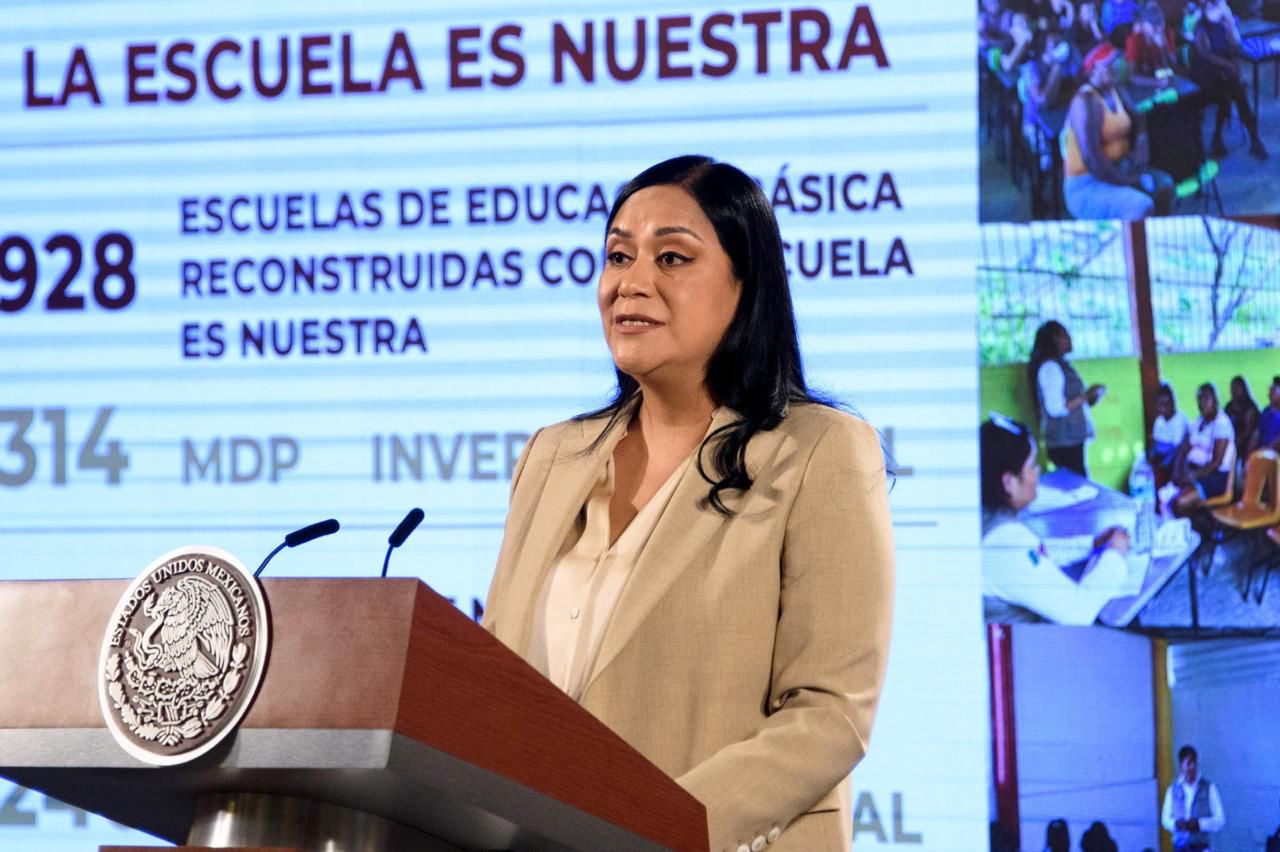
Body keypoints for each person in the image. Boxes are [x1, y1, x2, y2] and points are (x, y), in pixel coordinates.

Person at [482, 156, 895, 851]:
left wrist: (652, 827)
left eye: (671, 257)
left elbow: (831, 715)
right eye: (619, 256)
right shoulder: (552, 457)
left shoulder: (819, 450)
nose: (631, 282)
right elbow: (494, 685)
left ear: (745, 285)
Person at [981, 415, 1131, 624]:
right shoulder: (1003, 542)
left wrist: (1091, 544)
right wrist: (1115, 554)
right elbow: (1078, 612)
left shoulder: (987, 518)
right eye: (1032, 465)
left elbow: (1035, 554)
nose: (1037, 472)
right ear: (1009, 483)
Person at [1062, 42, 1175, 219]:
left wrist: (1142, 140)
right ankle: (1131, 237)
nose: (1115, 67)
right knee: (1141, 206)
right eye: (1108, 64)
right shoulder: (1085, 102)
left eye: (1115, 62)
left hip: (1118, 169)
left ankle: (1152, 236)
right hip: (1087, 184)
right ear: (1092, 70)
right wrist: (1128, 182)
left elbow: (1138, 117)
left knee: (1165, 186)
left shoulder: (1115, 90)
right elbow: (1093, 160)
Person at [1191, 0, 1270, 159]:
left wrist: (1230, 26)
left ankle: (1254, 140)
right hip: (1207, 74)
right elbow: (1206, 55)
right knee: (1227, 95)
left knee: (1239, 96)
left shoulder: (1223, 24)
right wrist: (1228, 65)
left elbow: (1234, 47)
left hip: (1226, 74)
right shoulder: (1201, 28)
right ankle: (1218, 139)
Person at [1027, 321, 1104, 476]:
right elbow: (1055, 408)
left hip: (1070, 442)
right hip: (1063, 444)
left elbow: (1073, 403)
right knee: (1075, 485)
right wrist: (1086, 396)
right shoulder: (1050, 367)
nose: (1070, 338)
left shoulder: (1062, 365)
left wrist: (1091, 398)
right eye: (1065, 335)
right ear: (1055, 339)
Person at [1171, 383, 1236, 515]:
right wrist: (1177, 471)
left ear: (1216, 401)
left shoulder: (1222, 423)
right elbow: (1184, 447)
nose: (1202, 403)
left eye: (1206, 399)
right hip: (1197, 470)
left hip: (1216, 476)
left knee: (1181, 502)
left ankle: (1194, 524)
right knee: (1169, 496)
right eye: (1199, 399)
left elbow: (1216, 462)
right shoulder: (1199, 421)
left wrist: (1193, 476)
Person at [1161, 745, 1226, 850]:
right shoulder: (1172, 790)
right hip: (1180, 847)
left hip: (1202, 847)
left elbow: (1220, 820)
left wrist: (1200, 824)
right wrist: (1175, 824)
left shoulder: (1209, 787)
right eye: (1188, 763)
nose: (1192, 767)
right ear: (1181, 765)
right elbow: (1165, 819)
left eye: (1194, 763)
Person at [1126, 2, 1183, 84]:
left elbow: (1173, 67)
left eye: (1161, 27)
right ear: (1143, 25)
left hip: (1163, 77)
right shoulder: (1134, 39)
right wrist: (1156, 83)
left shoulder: (1167, 33)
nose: (1158, 32)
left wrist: (1163, 47)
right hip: (1146, 82)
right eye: (1154, 27)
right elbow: (1132, 76)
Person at [1150, 382, 1190, 486]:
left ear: (1173, 402)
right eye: (1160, 404)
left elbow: (1177, 451)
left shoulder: (1180, 419)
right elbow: (1155, 446)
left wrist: (1161, 466)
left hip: (1175, 463)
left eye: (1166, 404)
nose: (1164, 408)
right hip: (1161, 459)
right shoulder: (1159, 421)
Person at [1224, 375, 1260, 467]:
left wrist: (1234, 443)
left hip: (1246, 445)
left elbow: (1248, 431)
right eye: (1232, 388)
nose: (1234, 391)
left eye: (1237, 388)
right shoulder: (1229, 407)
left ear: (1244, 389)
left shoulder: (1250, 408)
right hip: (1231, 441)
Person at [1256, 376, 1280, 453]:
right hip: (1263, 452)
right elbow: (1257, 434)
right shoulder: (1266, 411)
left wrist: (1266, 451)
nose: (1269, 395)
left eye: (1273, 392)